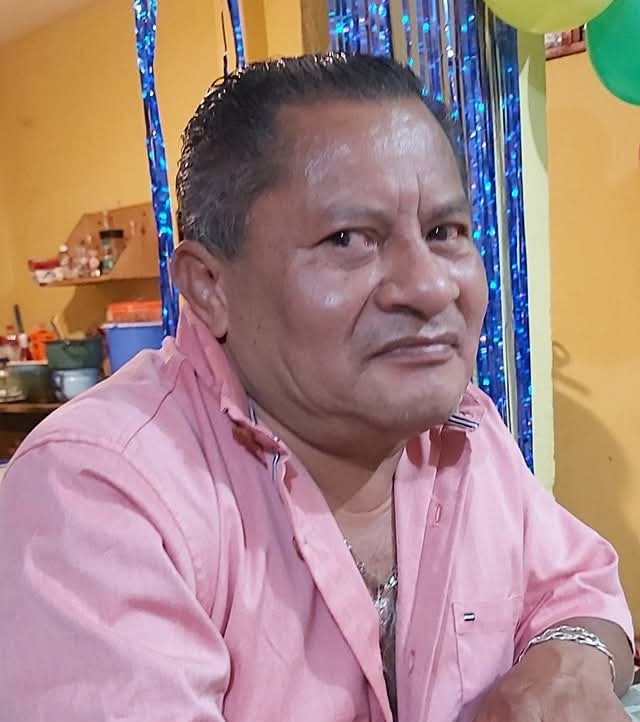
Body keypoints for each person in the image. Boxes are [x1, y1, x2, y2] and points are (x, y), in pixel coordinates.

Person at [0, 54, 634, 722]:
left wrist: (567, 662)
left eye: (444, 232)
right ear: (210, 288)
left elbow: (581, 589)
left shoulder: (467, 434)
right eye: (348, 239)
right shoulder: (100, 490)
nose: (429, 286)